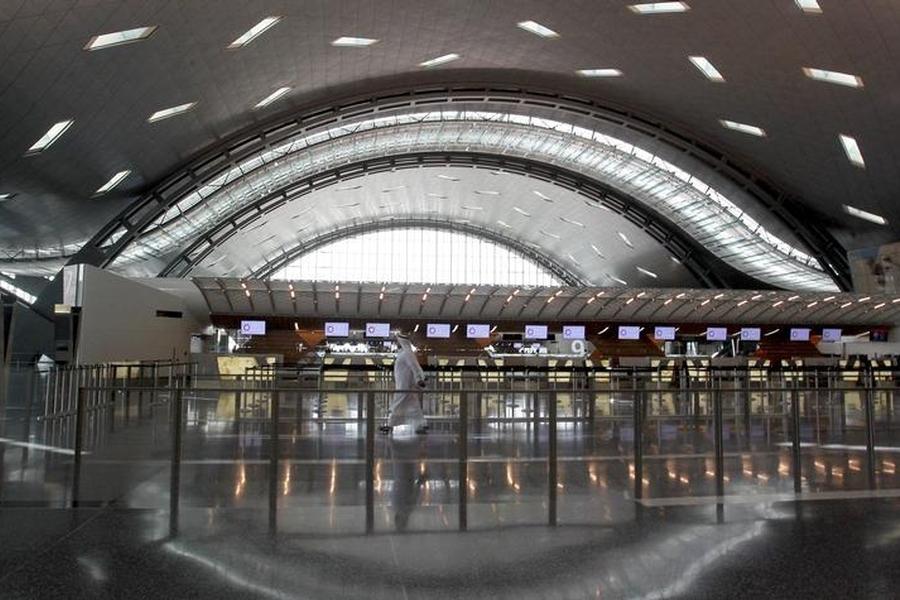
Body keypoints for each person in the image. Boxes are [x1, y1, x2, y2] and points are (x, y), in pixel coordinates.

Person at [381, 332, 427, 434]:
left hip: (404, 385)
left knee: (398, 404)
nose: (396, 343)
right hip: (404, 384)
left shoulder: (407, 353)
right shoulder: (405, 353)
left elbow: (414, 366)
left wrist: (419, 378)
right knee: (414, 405)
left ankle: (389, 425)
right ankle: (421, 425)